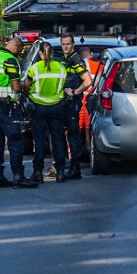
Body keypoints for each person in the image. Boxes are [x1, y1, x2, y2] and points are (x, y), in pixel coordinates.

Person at [0, 34, 33, 188]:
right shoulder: (10, 60)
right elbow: (16, 87)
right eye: (20, 50)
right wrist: (26, 86)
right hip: (7, 105)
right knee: (15, 139)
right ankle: (18, 176)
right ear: (17, 47)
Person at [26, 40, 71, 182]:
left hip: (38, 107)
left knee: (39, 141)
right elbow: (64, 84)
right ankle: (60, 171)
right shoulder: (61, 67)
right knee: (57, 140)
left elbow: (26, 84)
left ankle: (38, 172)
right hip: (56, 106)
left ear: (40, 53)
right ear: (51, 53)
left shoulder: (35, 68)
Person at [57, 35, 89, 179]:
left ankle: (75, 169)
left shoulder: (76, 60)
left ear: (73, 45)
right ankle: (64, 167)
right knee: (64, 135)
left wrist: (75, 92)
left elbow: (88, 81)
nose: (66, 47)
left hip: (72, 103)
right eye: (63, 44)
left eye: (68, 44)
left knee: (73, 136)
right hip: (63, 104)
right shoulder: (64, 60)